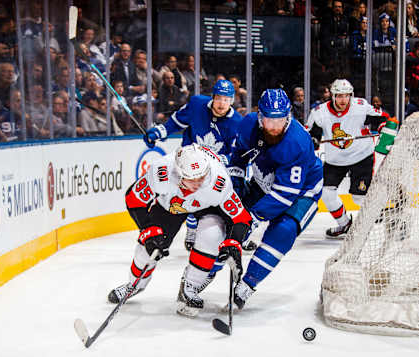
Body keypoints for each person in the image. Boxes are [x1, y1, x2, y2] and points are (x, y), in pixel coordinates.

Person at [108, 144, 252, 317]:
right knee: (146, 251)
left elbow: (241, 218)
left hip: (208, 207)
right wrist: (148, 231)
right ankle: (134, 285)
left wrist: (234, 242)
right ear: (178, 173)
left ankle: (190, 288)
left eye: (202, 177)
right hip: (170, 206)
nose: (198, 184)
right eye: (192, 179)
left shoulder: (218, 180)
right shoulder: (161, 171)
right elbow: (134, 199)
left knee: (212, 236)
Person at [220, 88, 323, 309]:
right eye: (269, 120)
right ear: (260, 117)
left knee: (283, 231)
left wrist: (252, 217)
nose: (274, 127)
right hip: (262, 182)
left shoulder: (297, 142)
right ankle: (199, 278)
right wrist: (236, 182)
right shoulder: (248, 124)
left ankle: (248, 284)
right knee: (227, 224)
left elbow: (285, 195)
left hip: (301, 192)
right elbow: (238, 156)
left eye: (280, 120)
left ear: (288, 117)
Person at [144, 79, 249, 251]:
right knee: (182, 193)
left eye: (226, 99)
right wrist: (160, 131)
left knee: (211, 198)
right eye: (219, 98)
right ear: (213, 97)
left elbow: (236, 152)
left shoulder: (237, 123)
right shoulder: (197, 104)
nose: (222, 103)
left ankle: (233, 233)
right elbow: (177, 121)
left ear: (232, 100)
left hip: (213, 169)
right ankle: (190, 227)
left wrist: (225, 161)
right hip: (188, 162)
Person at [306, 79, 389, 238]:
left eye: (346, 96)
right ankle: (345, 225)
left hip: (361, 157)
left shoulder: (360, 106)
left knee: (359, 198)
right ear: (332, 96)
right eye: (339, 96)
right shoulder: (319, 112)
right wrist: (313, 140)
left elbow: (382, 118)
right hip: (335, 161)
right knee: (326, 193)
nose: (343, 100)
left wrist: (383, 128)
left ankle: (390, 217)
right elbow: (311, 135)